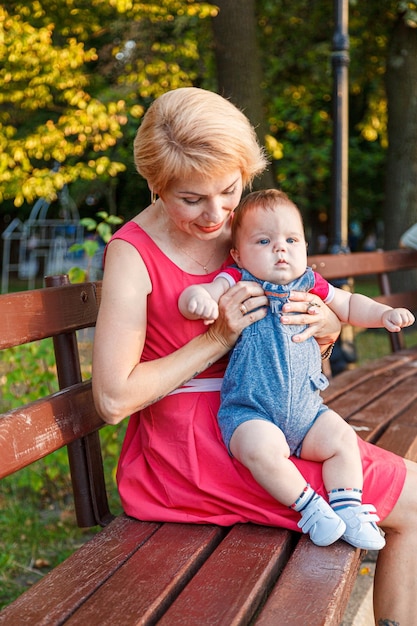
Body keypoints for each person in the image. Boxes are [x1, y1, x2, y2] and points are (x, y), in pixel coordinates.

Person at [92, 86, 417, 625]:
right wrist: (215, 340)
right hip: (197, 450)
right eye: (190, 199)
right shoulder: (133, 254)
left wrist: (327, 323)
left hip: (275, 414)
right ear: (154, 184)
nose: (214, 214)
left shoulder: (251, 230)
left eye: (228, 190)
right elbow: (111, 398)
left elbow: (317, 307)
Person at [179, 188, 415, 550]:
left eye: (291, 239)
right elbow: (207, 291)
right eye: (264, 240)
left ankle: (348, 506)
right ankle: (310, 508)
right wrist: (198, 300)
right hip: (251, 411)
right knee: (260, 450)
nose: (280, 248)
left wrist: (383, 315)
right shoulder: (240, 279)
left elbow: (350, 305)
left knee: (341, 440)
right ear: (238, 253)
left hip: (308, 414)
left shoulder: (311, 285)